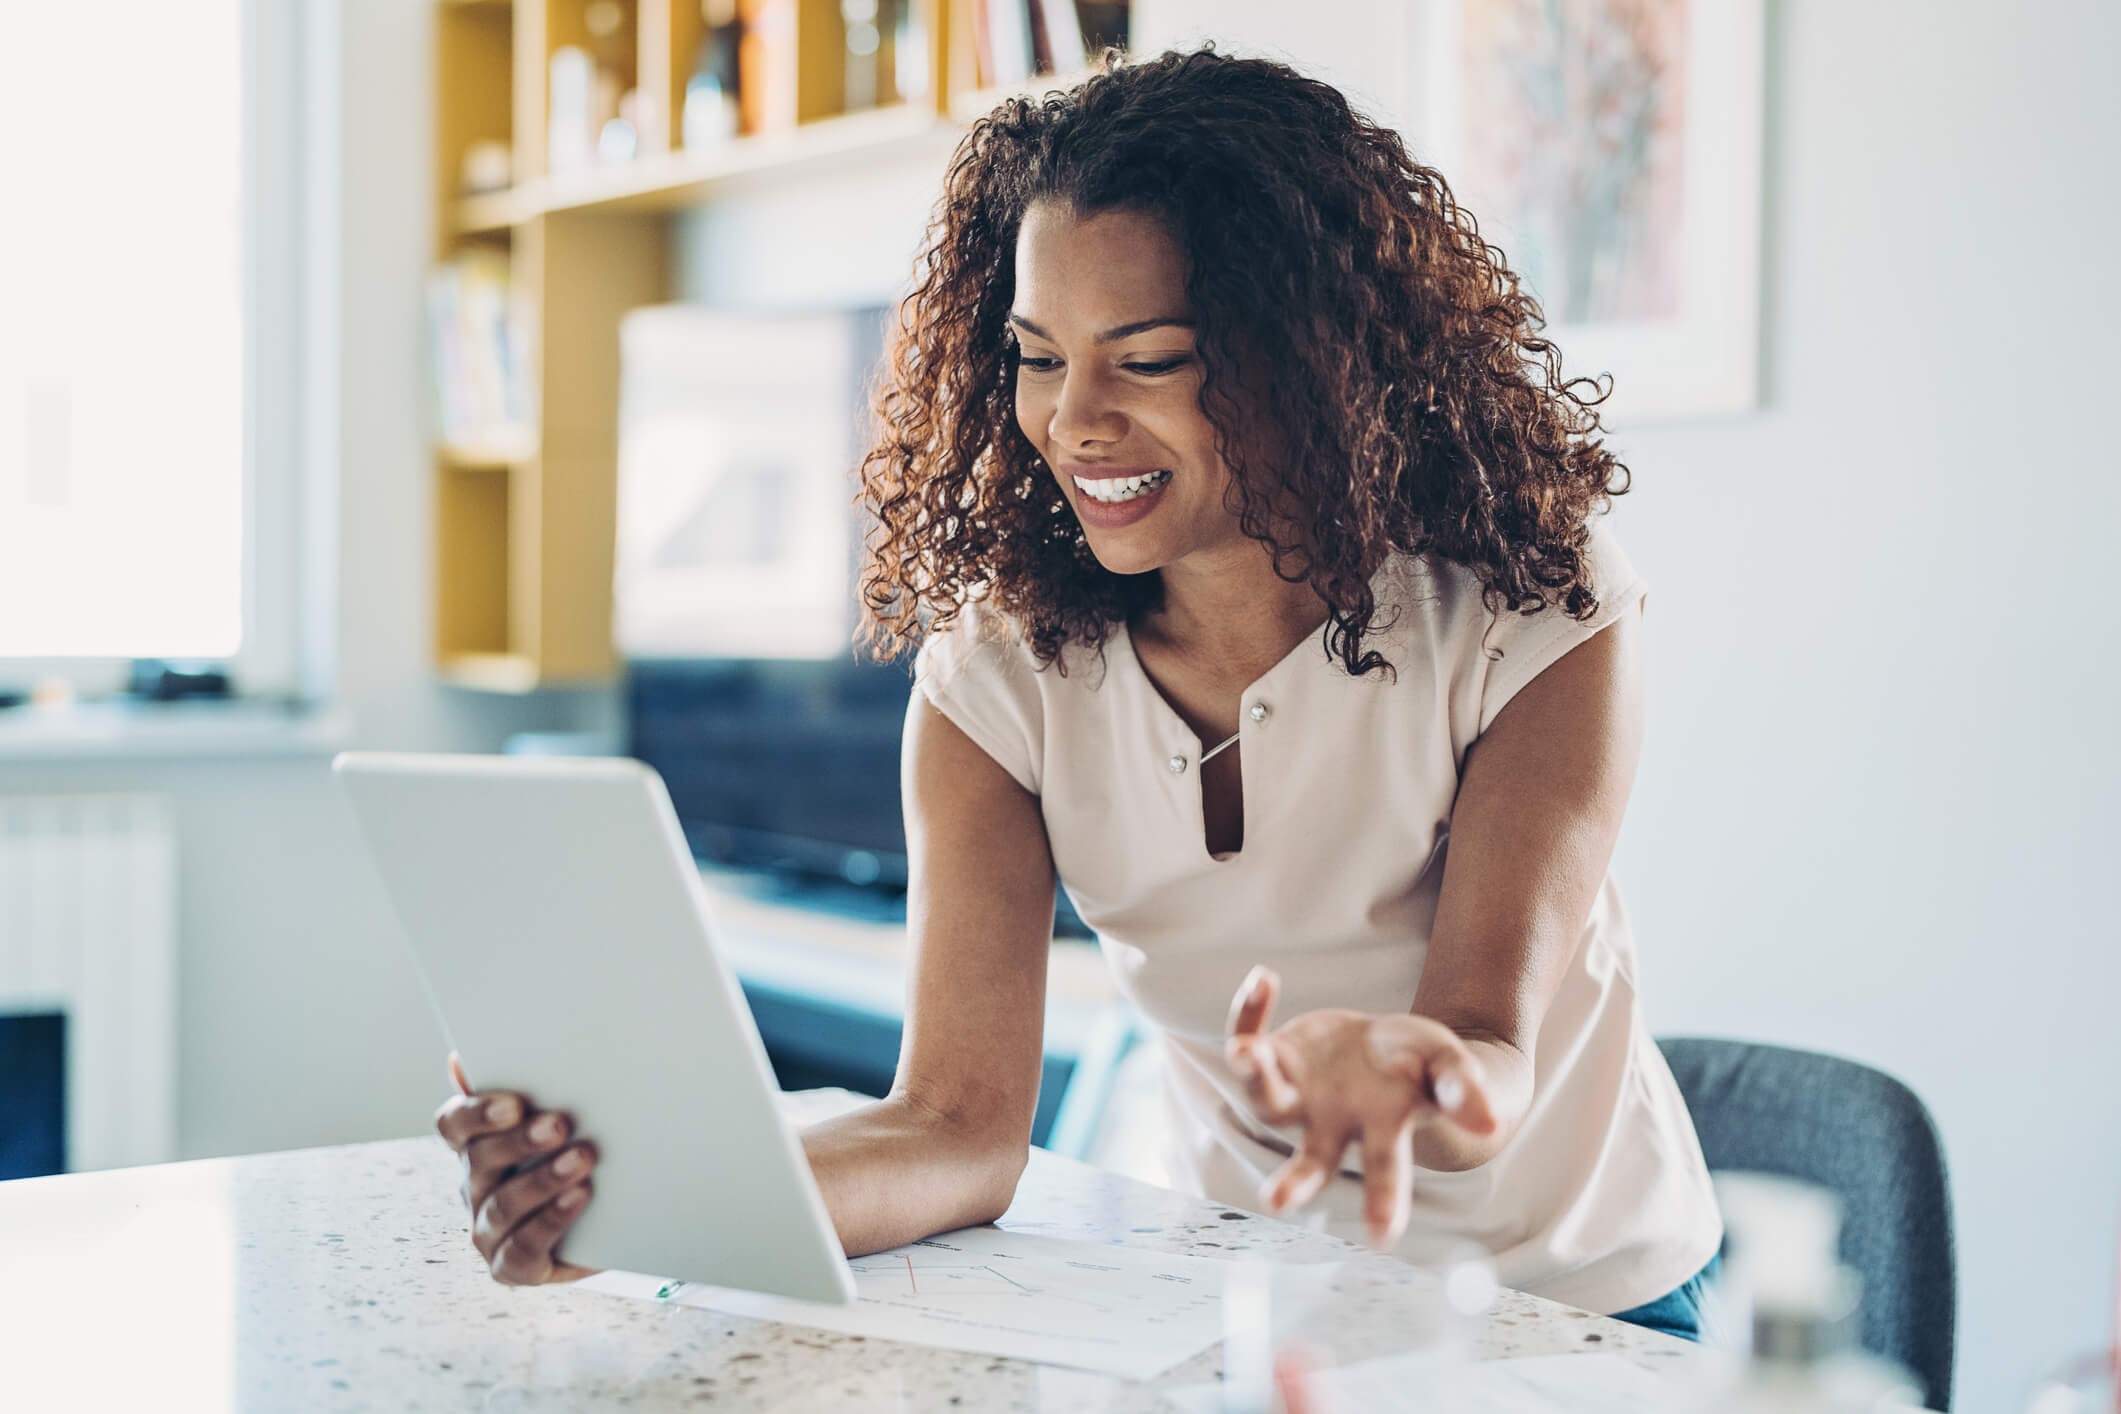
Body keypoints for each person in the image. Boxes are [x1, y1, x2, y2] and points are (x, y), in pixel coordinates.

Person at [433, 44, 1723, 1341]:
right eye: (1037, 356)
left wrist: (1418, 1070)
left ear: (1311, 357)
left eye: (1147, 359)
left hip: (1583, 1309)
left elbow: (1487, 1046)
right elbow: (953, 1127)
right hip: (1251, 1302)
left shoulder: (1526, 607)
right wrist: (636, 1206)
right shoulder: (999, 677)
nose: (1073, 420)